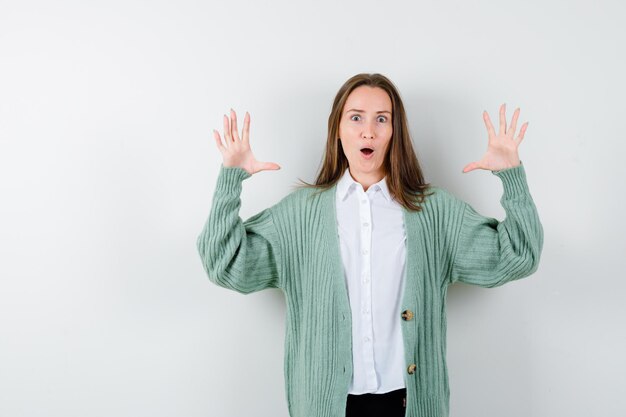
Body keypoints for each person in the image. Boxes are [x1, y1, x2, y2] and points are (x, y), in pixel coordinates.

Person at [196, 73, 544, 417]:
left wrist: (511, 175)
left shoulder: (433, 210)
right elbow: (224, 263)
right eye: (356, 117)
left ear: (395, 132)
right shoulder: (300, 215)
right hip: (326, 405)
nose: (369, 131)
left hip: (409, 403)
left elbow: (520, 254)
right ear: (338, 129)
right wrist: (231, 179)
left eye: (382, 119)